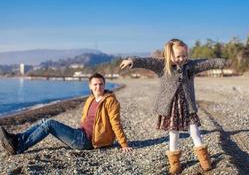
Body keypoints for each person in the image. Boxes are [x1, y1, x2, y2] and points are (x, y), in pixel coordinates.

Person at [120, 39, 227, 174]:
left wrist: (224, 62)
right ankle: (175, 163)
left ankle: (204, 160)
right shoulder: (161, 65)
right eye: (178, 56)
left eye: (184, 55)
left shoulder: (190, 66)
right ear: (169, 54)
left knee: (195, 132)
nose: (181, 59)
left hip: (188, 106)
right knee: (174, 134)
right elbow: (147, 61)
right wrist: (132, 61)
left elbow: (207, 63)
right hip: (171, 108)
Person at [0, 73, 132, 155]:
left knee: (49, 124)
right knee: (44, 120)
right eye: (95, 84)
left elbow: (116, 123)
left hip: (88, 142)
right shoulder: (91, 98)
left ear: (104, 85)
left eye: (101, 84)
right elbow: (85, 118)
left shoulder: (111, 101)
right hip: (80, 134)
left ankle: (19, 147)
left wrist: (124, 144)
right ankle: (17, 139)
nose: (98, 87)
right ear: (90, 86)